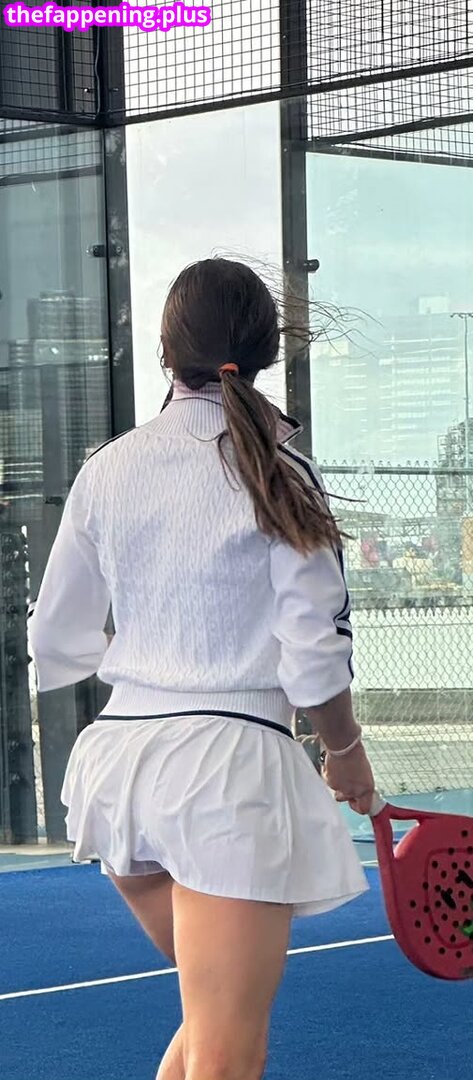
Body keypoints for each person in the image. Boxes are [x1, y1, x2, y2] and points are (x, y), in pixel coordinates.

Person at [28, 258, 375, 1080]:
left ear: (164, 350)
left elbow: (55, 635)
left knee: (210, 1027)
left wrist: (155, 668)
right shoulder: (279, 471)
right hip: (227, 771)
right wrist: (345, 752)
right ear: (264, 351)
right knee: (226, 1052)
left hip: (120, 770)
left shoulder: (108, 467)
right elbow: (313, 654)